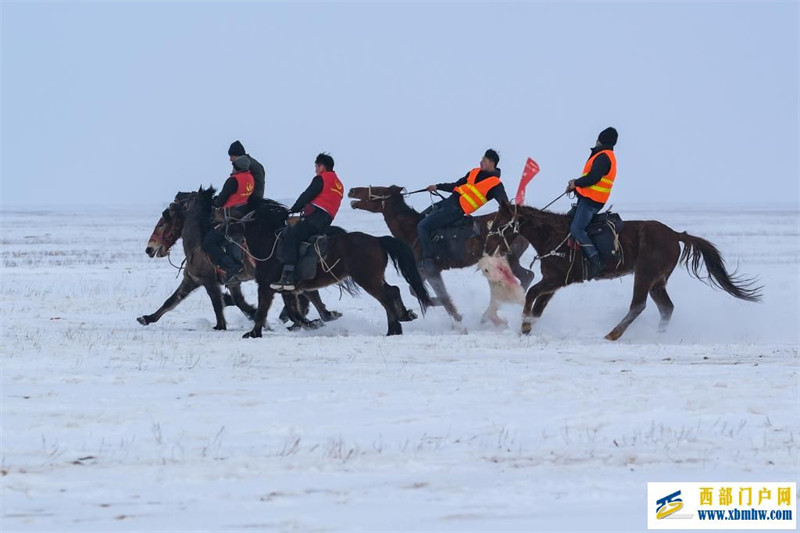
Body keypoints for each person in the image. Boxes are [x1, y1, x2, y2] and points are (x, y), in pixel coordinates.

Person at [417, 149, 508, 273]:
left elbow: (505, 204)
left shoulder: (496, 184)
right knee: (420, 218)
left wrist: (511, 210)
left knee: (423, 226)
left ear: (492, 163)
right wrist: (437, 186)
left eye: (484, 160)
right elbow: (456, 185)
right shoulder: (474, 172)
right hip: (447, 203)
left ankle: (428, 262)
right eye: (482, 159)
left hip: (456, 210)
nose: (480, 162)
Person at [270, 153, 344, 291]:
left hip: (314, 219)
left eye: (316, 166)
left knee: (291, 236)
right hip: (326, 221)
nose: (315, 169)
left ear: (322, 166)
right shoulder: (339, 184)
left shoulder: (321, 179)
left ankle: (288, 276)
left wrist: (293, 209)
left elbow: (307, 195)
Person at [565, 126, 618, 280]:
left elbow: (593, 178)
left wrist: (576, 183)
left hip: (591, 202)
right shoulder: (604, 155)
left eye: (598, 138)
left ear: (601, 140)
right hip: (589, 199)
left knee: (577, 229)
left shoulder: (603, 156)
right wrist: (576, 187)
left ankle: (596, 261)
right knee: (568, 220)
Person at [202, 155, 255, 284]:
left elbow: (220, 201)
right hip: (243, 217)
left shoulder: (232, 181)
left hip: (230, 220)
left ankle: (232, 266)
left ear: (236, 167)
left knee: (208, 243)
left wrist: (212, 202)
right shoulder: (250, 178)